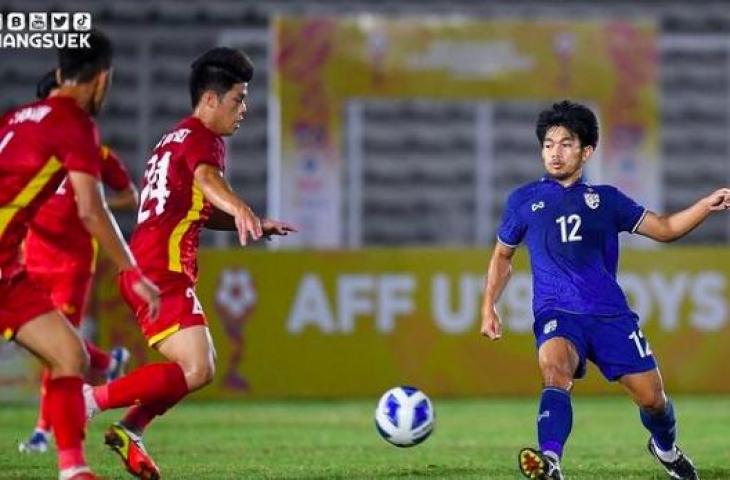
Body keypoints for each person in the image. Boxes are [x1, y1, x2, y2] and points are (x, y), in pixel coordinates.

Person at [480, 100, 727, 480]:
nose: (555, 152)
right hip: (556, 312)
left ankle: (664, 447)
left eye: (565, 143)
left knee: (653, 400)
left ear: (586, 151)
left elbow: (664, 229)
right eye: (548, 144)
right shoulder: (523, 201)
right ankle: (551, 462)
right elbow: (501, 256)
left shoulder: (607, 200)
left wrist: (705, 206)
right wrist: (488, 306)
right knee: (554, 371)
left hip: (609, 314)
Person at [83, 47, 296, 480]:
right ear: (210, 100)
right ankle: (88, 401)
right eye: (238, 99)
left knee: (198, 367)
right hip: (159, 272)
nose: (244, 110)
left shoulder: (173, 138)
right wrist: (240, 206)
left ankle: (130, 430)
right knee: (198, 368)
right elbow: (206, 179)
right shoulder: (204, 140)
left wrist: (251, 219)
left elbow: (191, 202)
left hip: (146, 266)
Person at [0, 30, 159, 480]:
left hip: (10, 269)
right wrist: (133, 272)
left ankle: (74, 471)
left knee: (72, 356)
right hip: (19, 263)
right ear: (102, 79)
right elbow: (93, 209)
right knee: (72, 357)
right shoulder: (75, 123)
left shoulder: (15, 116)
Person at [17, 70, 138, 454]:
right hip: (32, 258)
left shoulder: (95, 155)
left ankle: (42, 433)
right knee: (46, 341)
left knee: (62, 353)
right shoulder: (28, 152)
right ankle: (106, 360)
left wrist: (94, 206)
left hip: (73, 262)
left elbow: (130, 197)